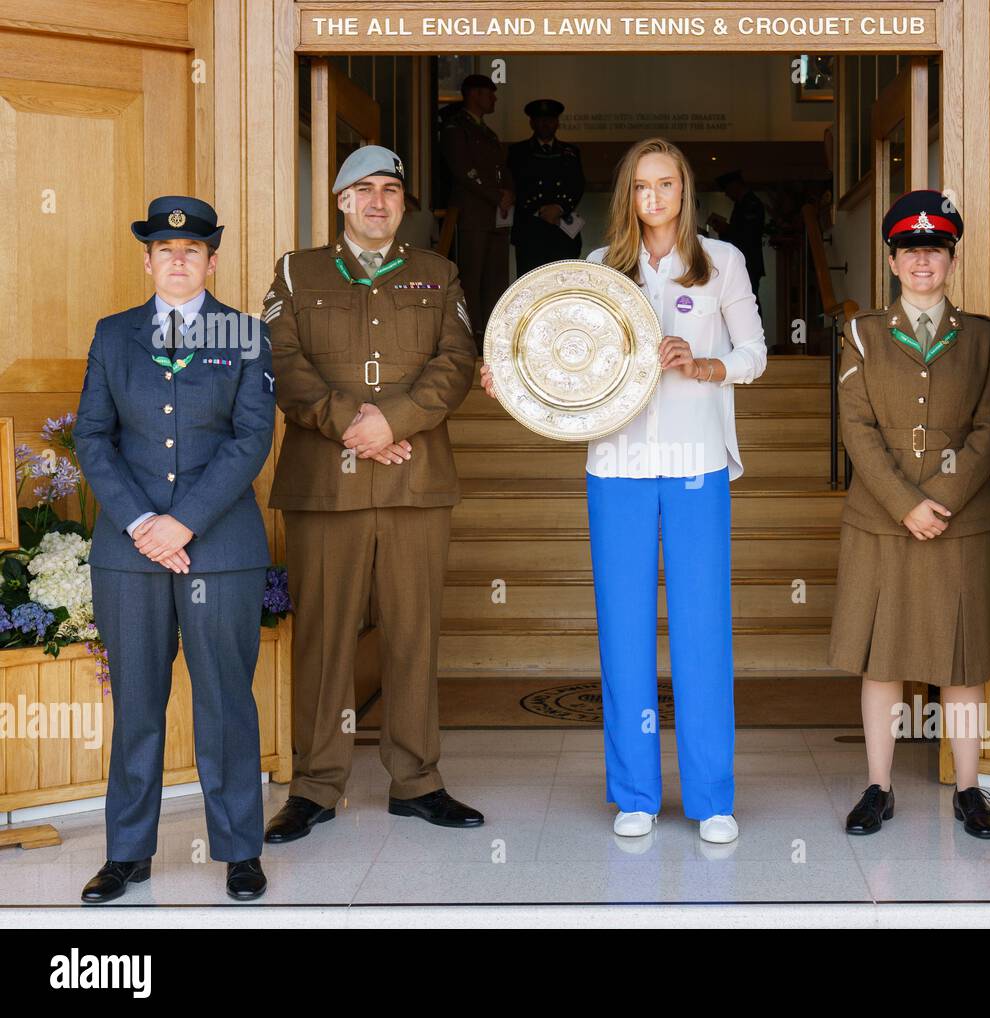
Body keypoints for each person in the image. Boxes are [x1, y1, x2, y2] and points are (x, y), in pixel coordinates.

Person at [481, 138, 767, 843]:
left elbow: (755, 355)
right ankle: (635, 792)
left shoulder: (721, 262)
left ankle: (711, 797)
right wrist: (512, 378)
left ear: (684, 191)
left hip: (697, 462)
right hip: (617, 468)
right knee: (624, 632)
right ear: (627, 197)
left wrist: (703, 367)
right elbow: (556, 358)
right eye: (642, 187)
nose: (655, 198)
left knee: (704, 632)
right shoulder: (596, 269)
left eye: (666, 185)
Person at [261, 145, 481, 845]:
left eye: (390, 189)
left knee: (414, 634)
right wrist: (356, 428)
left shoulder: (437, 274)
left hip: (416, 479)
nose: (378, 201)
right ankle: (315, 786)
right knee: (324, 637)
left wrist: (396, 421)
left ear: (403, 203)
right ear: (341, 201)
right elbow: (282, 364)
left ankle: (417, 781)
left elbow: (456, 363)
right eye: (364, 190)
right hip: (327, 484)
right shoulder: (297, 272)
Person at [75, 196, 276, 902]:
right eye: (165, 248)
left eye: (192, 250)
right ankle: (127, 853)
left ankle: (239, 850)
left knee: (226, 699)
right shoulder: (112, 334)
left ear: (212, 260)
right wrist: (140, 524)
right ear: (149, 260)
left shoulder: (245, 334)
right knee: (136, 701)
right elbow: (91, 438)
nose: (179, 258)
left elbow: (252, 439)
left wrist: (182, 522)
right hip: (130, 553)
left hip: (218, 547)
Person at [830, 190, 990, 841]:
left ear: (951, 259)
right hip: (881, 521)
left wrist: (943, 499)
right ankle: (879, 786)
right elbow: (858, 428)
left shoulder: (985, 337)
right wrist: (908, 503)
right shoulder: (863, 334)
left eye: (934, 249)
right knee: (883, 662)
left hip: (959, 523)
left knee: (960, 664)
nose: (922, 261)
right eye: (910, 250)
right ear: (893, 259)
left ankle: (968, 789)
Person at [441, 73, 513, 350]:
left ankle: (492, 338)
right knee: (472, 277)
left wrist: (508, 193)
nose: (494, 98)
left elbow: (502, 170)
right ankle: (470, 340)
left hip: (495, 215)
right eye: (489, 93)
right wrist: (496, 195)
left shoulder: (488, 133)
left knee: (496, 277)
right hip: (471, 213)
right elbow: (463, 171)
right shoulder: (455, 128)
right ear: (474, 94)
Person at [507, 98, 585, 275]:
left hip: (562, 229)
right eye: (540, 119)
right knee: (530, 283)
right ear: (532, 123)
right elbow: (515, 185)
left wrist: (558, 207)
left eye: (550, 119)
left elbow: (577, 184)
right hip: (531, 229)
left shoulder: (570, 152)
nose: (545, 124)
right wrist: (541, 210)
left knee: (565, 282)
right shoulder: (518, 152)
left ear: (557, 123)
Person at [707, 170, 765, 297]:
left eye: (727, 190)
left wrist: (727, 230)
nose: (727, 194)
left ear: (735, 186)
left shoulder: (750, 204)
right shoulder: (743, 204)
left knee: (749, 296)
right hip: (743, 258)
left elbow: (748, 233)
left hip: (748, 258)